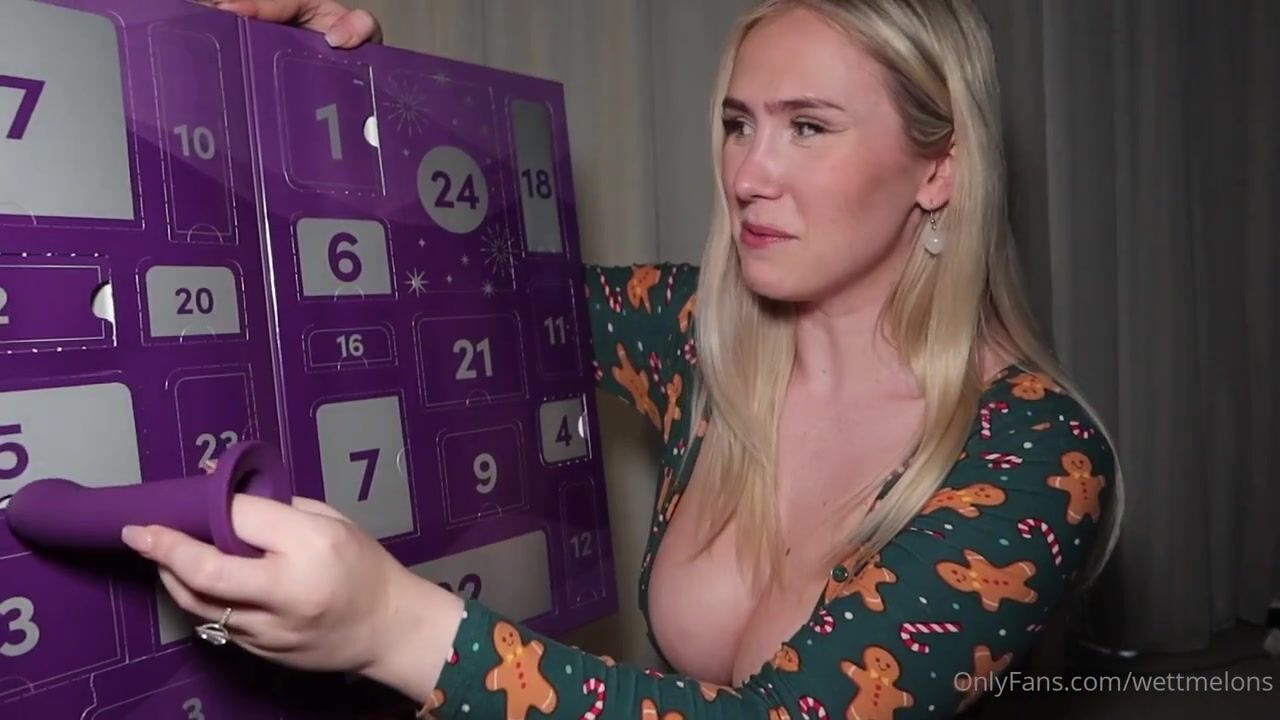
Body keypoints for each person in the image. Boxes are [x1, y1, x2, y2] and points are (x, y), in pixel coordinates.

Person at [133, 1, 1124, 717]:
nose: (748, 173)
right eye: (737, 124)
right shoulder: (696, 332)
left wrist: (395, 629)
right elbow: (439, 289)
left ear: (937, 170)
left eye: (807, 127)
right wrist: (324, 93)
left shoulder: (1035, 451)